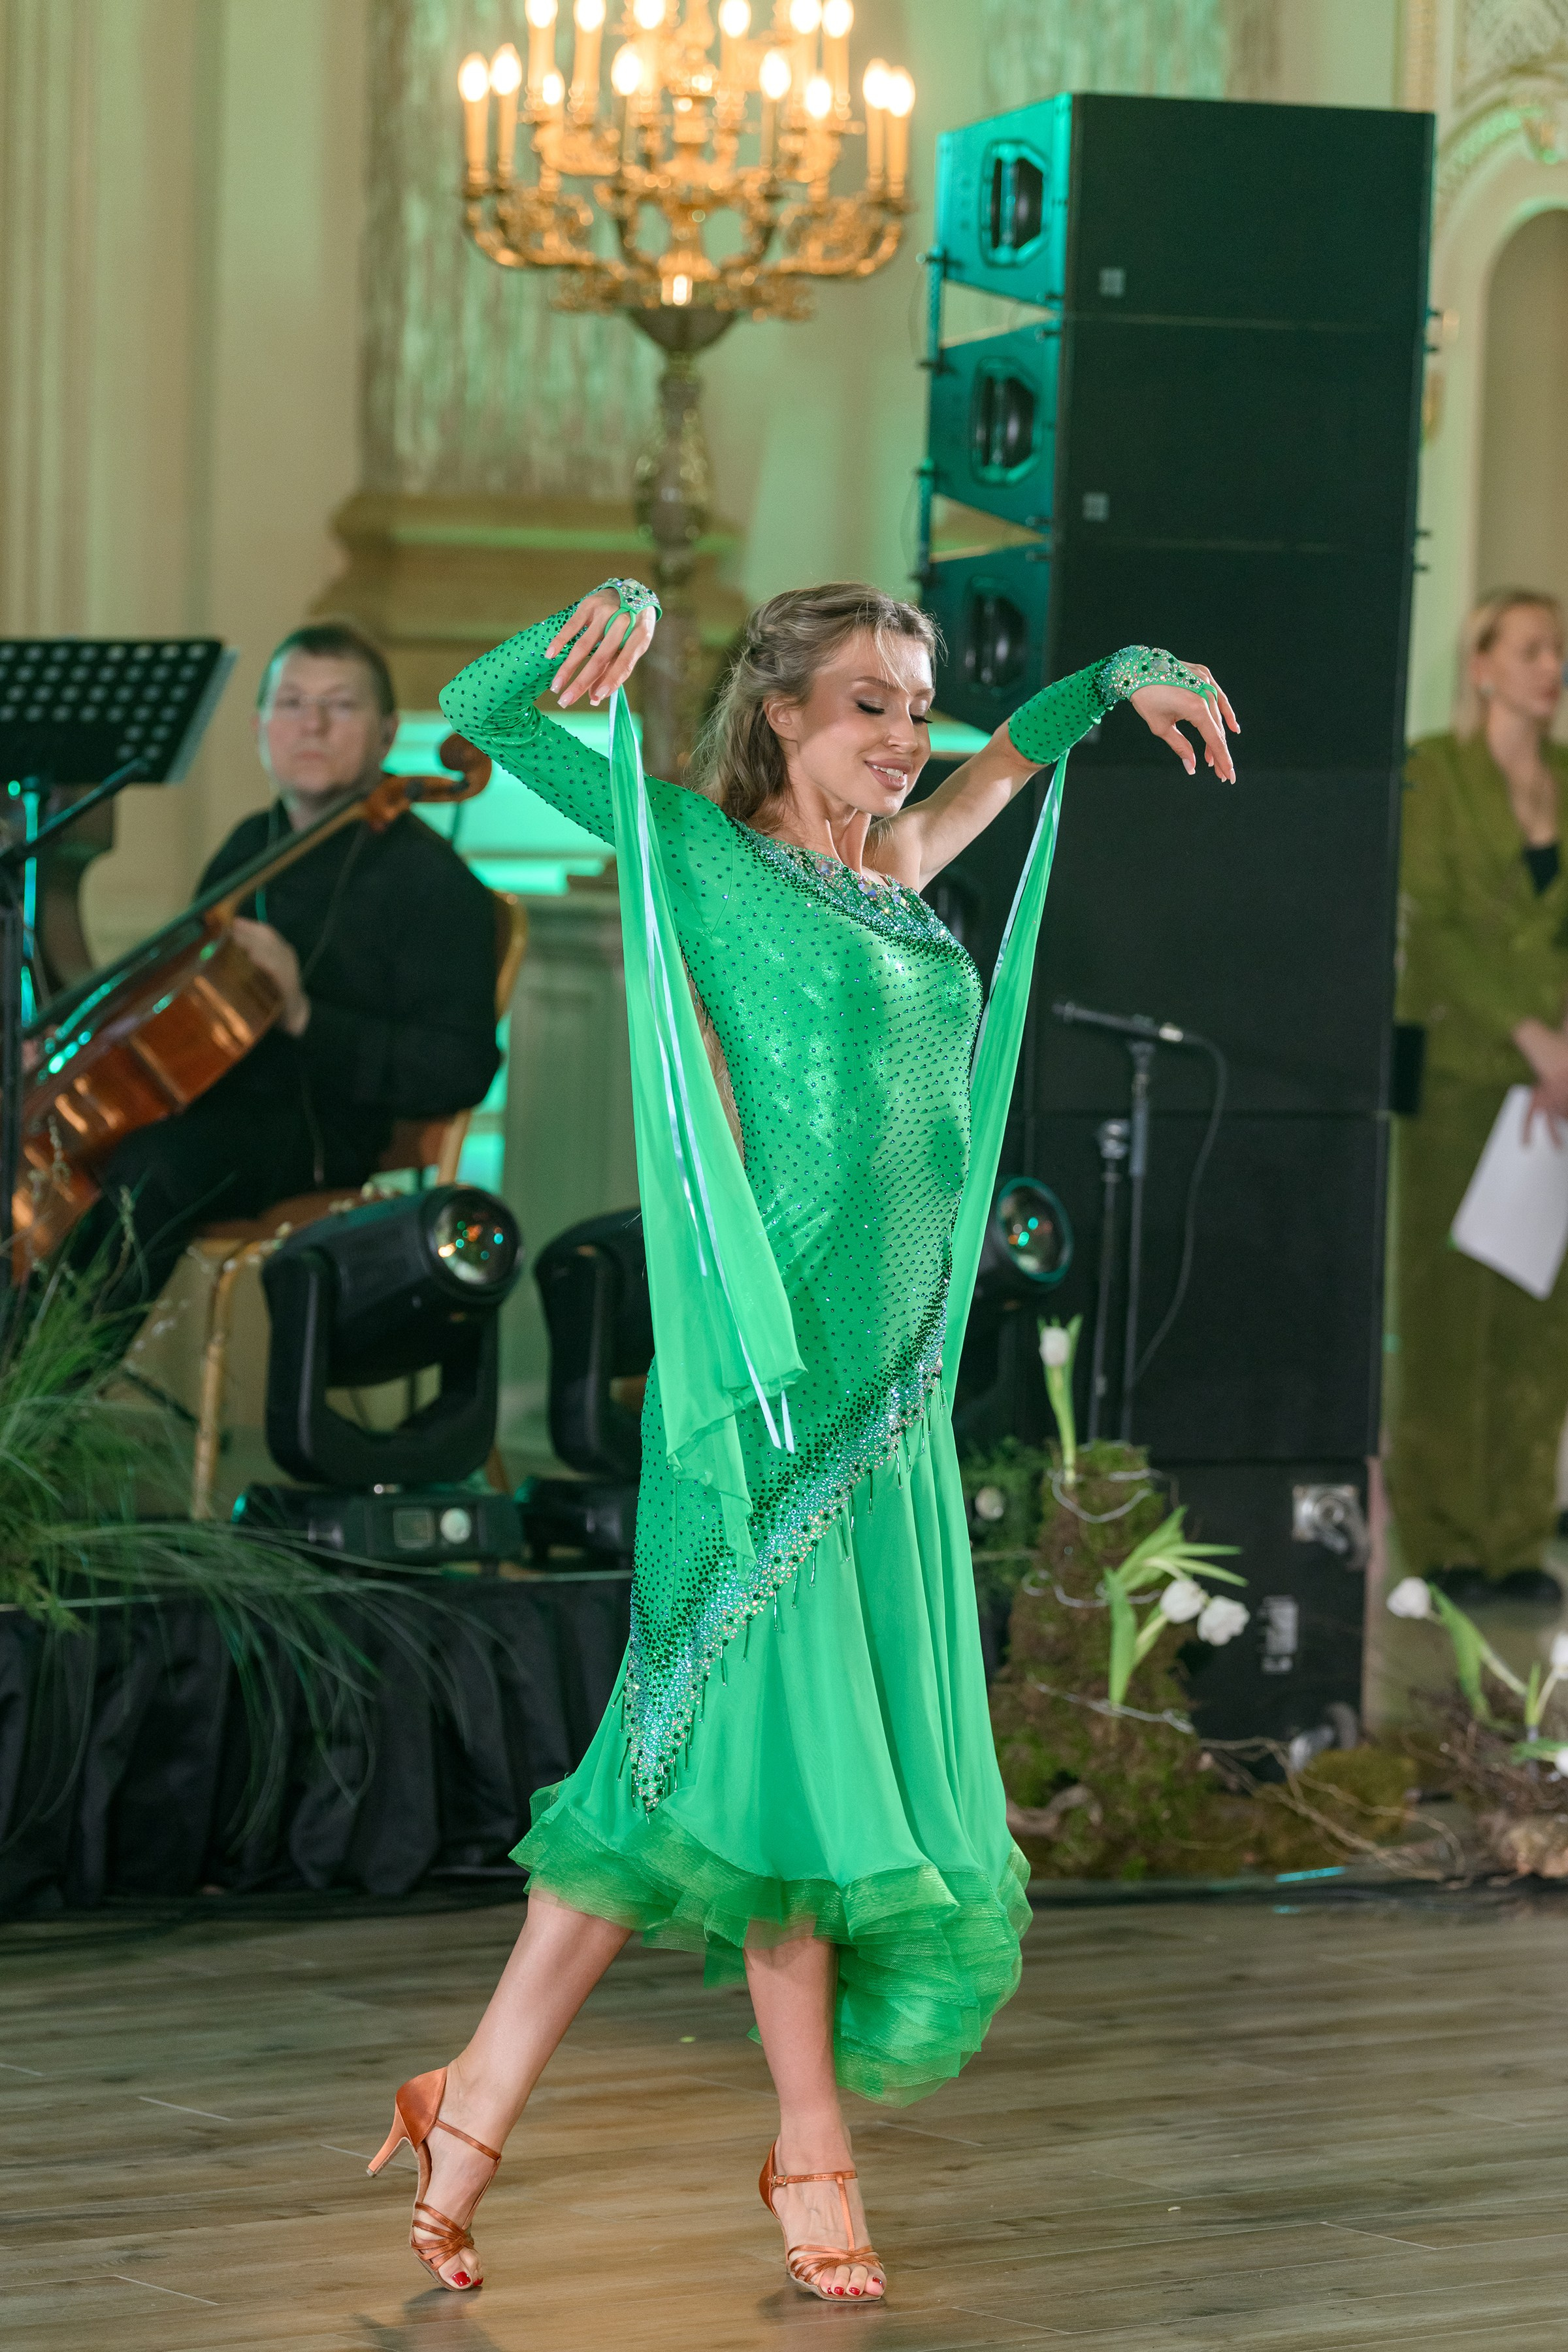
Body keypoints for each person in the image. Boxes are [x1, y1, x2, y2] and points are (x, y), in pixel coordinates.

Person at [367, 581, 1236, 2302]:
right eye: (873, 707)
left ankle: (465, 2112)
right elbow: (482, 702)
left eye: (920, 706)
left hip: (884, 1404)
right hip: (761, 1409)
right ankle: (810, 2155)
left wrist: (1116, 678)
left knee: (665, 1790)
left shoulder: (899, 868)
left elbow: (1020, 757)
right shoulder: (694, 852)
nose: (911, 739)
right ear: (784, 717)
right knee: (783, 1784)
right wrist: (599, 614)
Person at [71, 621, 500, 1310]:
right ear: (260, 726)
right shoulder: (252, 845)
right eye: (293, 704)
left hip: (321, 1132)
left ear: (387, 733)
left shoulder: (433, 882)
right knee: (64, 1155)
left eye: (341, 706)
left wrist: (303, 1014)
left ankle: (56, 1388)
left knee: (154, 1167)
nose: (313, 726)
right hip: (209, 1104)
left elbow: (461, 1066)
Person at [1390, 587, 1568, 1608]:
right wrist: (1530, 1032)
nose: (1552, 668)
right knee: (1451, 1311)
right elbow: (1440, 925)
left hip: (1555, 1092)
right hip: (1464, 1072)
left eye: (1559, 651)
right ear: (1485, 665)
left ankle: (1516, 1540)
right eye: (1532, 649)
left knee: (1538, 1317)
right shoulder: (1436, 771)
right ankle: (1446, 1539)